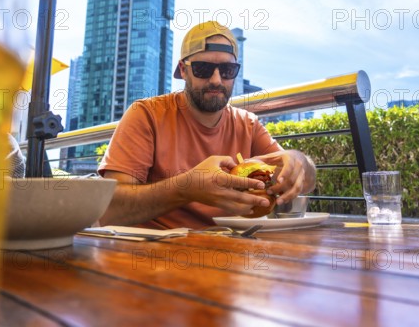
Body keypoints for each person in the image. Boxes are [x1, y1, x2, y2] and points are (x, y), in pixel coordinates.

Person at [98, 21, 316, 229]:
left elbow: (304, 176)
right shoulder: (147, 115)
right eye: (203, 68)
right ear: (183, 70)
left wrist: (299, 162)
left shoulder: (247, 124)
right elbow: (109, 210)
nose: (216, 80)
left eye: (227, 70)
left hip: (233, 249)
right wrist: (185, 189)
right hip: (157, 253)